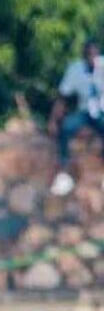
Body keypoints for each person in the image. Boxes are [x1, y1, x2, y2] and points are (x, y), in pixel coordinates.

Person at [48, 39, 104, 196]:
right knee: (66, 126)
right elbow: (63, 97)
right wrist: (53, 120)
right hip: (85, 110)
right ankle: (64, 174)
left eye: (95, 55)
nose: (92, 59)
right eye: (89, 56)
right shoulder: (75, 70)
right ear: (84, 56)